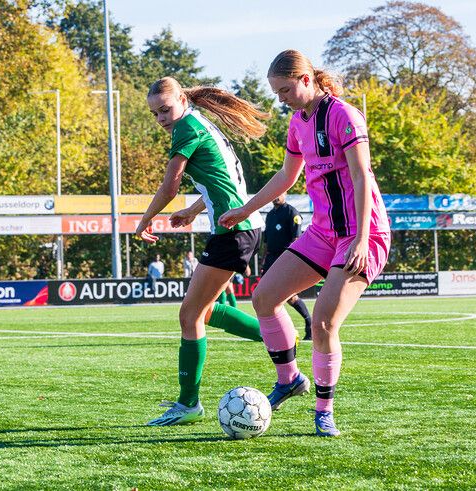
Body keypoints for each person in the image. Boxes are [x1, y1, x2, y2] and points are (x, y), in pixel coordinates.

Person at [219, 50, 391, 437]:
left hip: (362, 233)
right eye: (276, 92)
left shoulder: (344, 116)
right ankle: (290, 379)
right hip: (324, 232)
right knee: (264, 298)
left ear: (307, 79)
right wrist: (246, 208)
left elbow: (362, 177)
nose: (281, 98)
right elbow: (286, 176)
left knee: (325, 322)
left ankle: (324, 410)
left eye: (284, 89)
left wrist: (362, 239)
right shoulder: (297, 123)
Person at [136, 76, 269, 426]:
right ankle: (278, 342)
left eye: (165, 109)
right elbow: (223, 179)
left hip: (233, 230)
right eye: (155, 114)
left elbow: (170, 185)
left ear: (181, 99)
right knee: (203, 312)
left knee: (189, 315)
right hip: (238, 226)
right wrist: (194, 210)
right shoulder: (198, 123)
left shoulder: (186, 128)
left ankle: (188, 403)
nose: (162, 119)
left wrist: (145, 219)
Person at [262, 193, 313, 340]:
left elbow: (296, 239)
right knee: (264, 294)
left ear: (285, 194)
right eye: (274, 194)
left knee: (289, 296)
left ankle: (309, 323)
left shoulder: (292, 213)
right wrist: (264, 259)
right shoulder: (270, 215)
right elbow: (266, 241)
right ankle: (274, 330)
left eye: (279, 194)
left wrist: (291, 260)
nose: (276, 196)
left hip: (284, 257)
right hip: (271, 258)